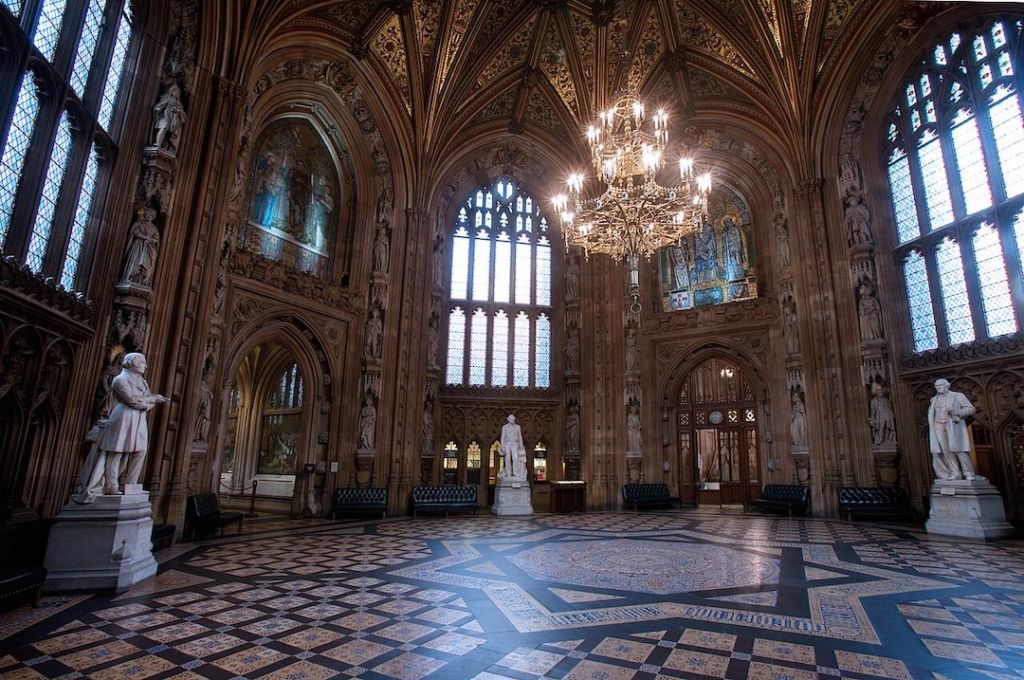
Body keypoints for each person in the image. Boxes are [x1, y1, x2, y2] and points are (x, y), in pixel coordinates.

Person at [96, 353, 169, 494]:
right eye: (142, 363)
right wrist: (152, 399)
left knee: (141, 450)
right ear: (132, 363)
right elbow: (132, 400)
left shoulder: (142, 381)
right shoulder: (120, 380)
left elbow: (145, 399)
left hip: (139, 418)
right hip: (123, 417)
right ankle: (111, 486)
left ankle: (131, 485)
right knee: (116, 451)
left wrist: (150, 401)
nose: (145, 366)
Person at [927, 378, 977, 480]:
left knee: (959, 449)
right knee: (946, 451)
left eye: (940, 385)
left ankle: (968, 473)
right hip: (938, 425)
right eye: (936, 386)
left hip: (953, 425)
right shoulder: (934, 400)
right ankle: (955, 473)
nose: (938, 388)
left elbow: (971, 409)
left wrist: (957, 412)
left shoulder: (957, 396)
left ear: (947, 385)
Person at [120, 207, 160, 287]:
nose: (149, 216)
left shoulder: (154, 228)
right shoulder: (139, 223)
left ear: (153, 217)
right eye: (147, 214)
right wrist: (146, 238)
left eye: (151, 215)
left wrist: (152, 240)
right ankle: (130, 278)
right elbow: (135, 232)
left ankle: (141, 281)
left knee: (146, 266)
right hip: (138, 246)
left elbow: (156, 238)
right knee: (135, 263)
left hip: (148, 248)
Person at [152, 83, 186, 153]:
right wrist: (158, 108)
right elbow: (160, 105)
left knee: (169, 134)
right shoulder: (167, 98)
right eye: (175, 91)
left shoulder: (179, 103)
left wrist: (178, 111)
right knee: (164, 127)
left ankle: (165, 147)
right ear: (172, 91)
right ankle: (158, 144)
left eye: (178, 92)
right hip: (166, 115)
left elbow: (184, 115)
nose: (177, 93)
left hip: (173, 119)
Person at [499, 414, 526, 479]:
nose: (512, 420)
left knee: (515, 458)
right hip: (507, 444)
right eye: (511, 419)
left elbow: (520, 436)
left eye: (513, 419)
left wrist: (521, 445)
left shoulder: (518, 427)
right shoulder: (505, 427)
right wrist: (502, 446)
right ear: (508, 420)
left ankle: (515, 472)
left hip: (515, 443)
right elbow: (503, 437)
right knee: (507, 458)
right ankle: (508, 473)